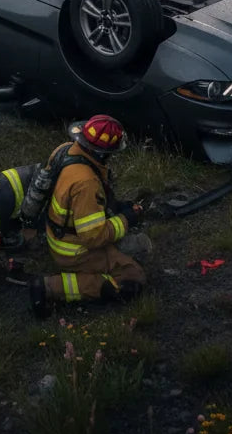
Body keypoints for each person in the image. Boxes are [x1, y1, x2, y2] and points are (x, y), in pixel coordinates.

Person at [28, 116, 146, 317]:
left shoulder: (65, 149)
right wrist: (126, 219)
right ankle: (50, 287)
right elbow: (93, 237)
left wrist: (116, 207)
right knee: (132, 279)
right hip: (74, 251)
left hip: (55, 235)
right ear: (102, 153)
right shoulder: (86, 183)